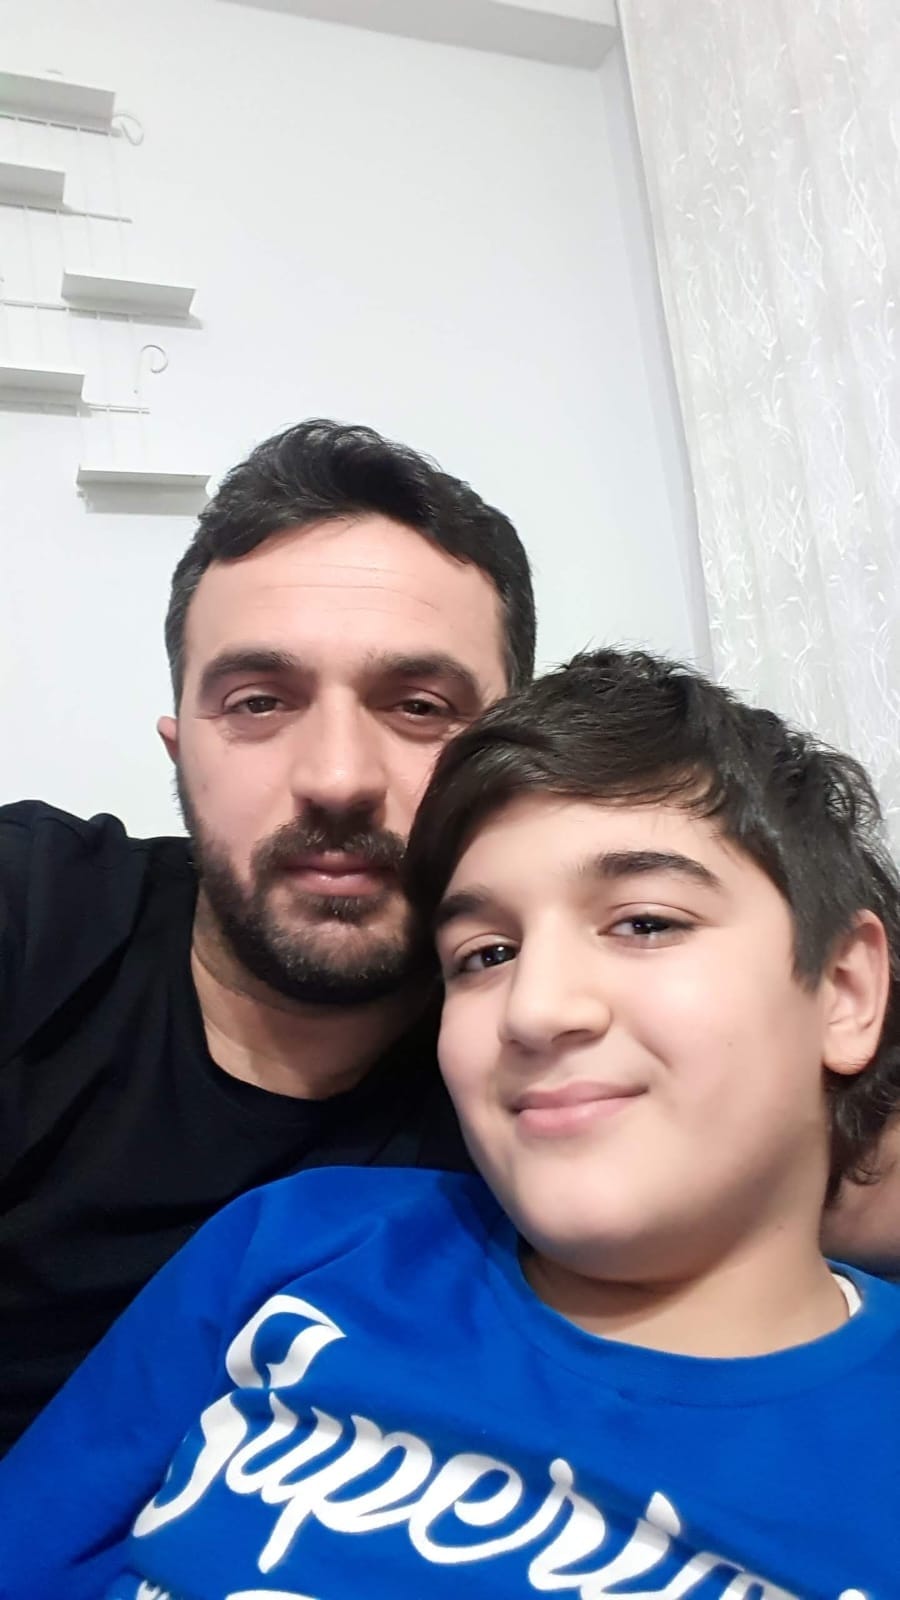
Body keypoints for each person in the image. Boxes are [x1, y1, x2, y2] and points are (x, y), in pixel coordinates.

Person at [2, 647, 899, 1600]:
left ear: (845, 991)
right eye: (486, 954)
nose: (535, 1008)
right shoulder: (304, 1243)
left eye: (644, 923)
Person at [0, 418, 535, 1452]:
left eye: (419, 706)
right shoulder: (34, 914)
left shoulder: (565, 1042)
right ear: (180, 749)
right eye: (258, 702)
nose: (337, 777)